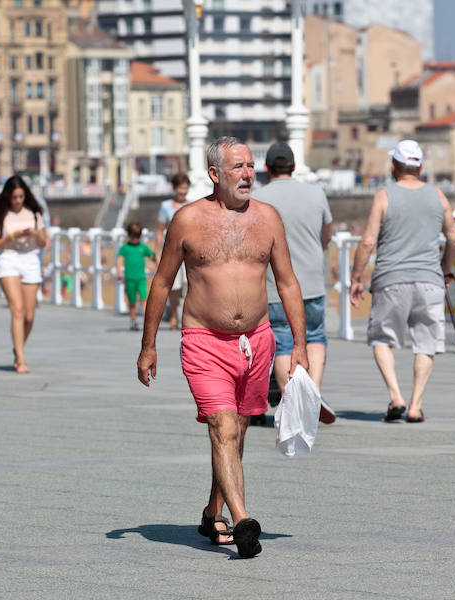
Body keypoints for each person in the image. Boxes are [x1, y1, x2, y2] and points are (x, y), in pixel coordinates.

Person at [137, 137, 308, 559]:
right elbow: (162, 282)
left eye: (251, 166)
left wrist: (300, 344)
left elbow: (286, 282)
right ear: (215, 174)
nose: (248, 173)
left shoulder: (268, 218)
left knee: (236, 433)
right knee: (223, 428)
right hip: (204, 341)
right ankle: (243, 520)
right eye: (238, 167)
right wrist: (148, 345)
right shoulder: (188, 220)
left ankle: (213, 511)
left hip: (258, 341)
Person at [349, 140, 455, 423]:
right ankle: (415, 405)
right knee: (426, 343)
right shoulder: (438, 195)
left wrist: (356, 278)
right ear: (421, 167)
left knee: (381, 338)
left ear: (393, 167)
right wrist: (445, 269)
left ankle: (396, 395)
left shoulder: (385, 195)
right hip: (429, 280)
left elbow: (367, 242)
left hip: (391, 279)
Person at [253, 141, 336, 424]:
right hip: (311, 280)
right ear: (294, 166)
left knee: (284, 341)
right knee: (314, 335)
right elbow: (327, 235)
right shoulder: (316, 193)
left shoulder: (258, 197)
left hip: (275, 284)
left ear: (266, 168)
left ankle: (291, 400)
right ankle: (312, 392)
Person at [0, 175, 47, 374]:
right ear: (8, 196)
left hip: (31, 258)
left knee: (29, 316)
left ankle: (18, 347)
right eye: (14, 197)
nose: (18, 201)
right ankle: (20, 359)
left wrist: (34, 233)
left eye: (21, 196)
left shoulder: (34, 214)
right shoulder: (0, 215)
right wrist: (12, 236)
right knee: (18, 310)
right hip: (9, 258)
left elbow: (43, 242)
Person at [155, 173, 191, 329]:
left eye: (185, 189)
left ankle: (188, 316)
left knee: (189, 283)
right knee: (174, 286)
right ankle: (174, 315)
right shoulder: (166, 206)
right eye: (180, 189)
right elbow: (159, 231)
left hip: (189, 249)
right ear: (174, 189)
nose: (182, 192)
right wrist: (157, 254)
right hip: (172, 250)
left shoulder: (191, 205)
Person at [116, 222, 156, 331]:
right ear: (129, 235)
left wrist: (157, 257)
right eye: (133, 236)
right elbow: (120, 260)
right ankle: (133, 320)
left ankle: (146, 322)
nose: (135, 239)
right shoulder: (125, 248)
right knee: (132, 302)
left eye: (137, 236)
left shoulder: (143, 247)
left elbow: (153, 256)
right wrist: (119, 272)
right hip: (129, 278)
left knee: (144, 299)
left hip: (141, 278)